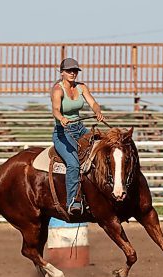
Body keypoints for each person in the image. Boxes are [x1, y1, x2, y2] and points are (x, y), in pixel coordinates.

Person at [51, 58, 105, 215]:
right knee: (73, 164)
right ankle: (72, 202)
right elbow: (55, 109)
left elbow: (93, 102)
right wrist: (61, 118)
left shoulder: (81, 87)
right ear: (62, 73)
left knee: (102, 148)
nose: (73, 73)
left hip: (80, 128)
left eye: (75, 71)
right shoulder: (57, 90)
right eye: (69, 71)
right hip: (63, 131)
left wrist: (97, 111)